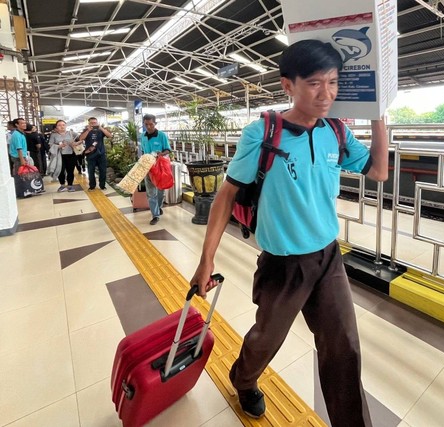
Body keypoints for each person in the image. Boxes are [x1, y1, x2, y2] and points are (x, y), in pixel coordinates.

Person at [190, 39, 388, 426]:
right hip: (283, 262)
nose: (326, 93)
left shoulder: (336, 131)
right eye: (314, 83)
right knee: (267, 340)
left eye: (332, 82)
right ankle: (243, 380)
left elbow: (378, 172)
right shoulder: (262, 133)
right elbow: (226, 196)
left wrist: (380, 116)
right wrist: (206, 259)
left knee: (344, 348)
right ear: (288, 85)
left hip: (329, 258)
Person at [140, 113, 171, 225]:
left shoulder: (162, 135)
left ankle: (159, 206)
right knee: (151, 192)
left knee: (160, 190)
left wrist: (161, 154)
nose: (148, 127)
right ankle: (155, 215)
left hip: (160, 168)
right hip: (148, 167)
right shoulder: (142, 136)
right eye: (146, 124)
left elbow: (168, 150)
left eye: (151, 124)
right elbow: (143, 150)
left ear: (155, 123)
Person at [78, 117, 112, 190]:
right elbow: (81, 138)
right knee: (91, 171)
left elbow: (109, 136)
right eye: (91, 123)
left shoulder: (101, 130)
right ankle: (92, 186)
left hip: (101, 153)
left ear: (97, 122)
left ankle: (102, 185)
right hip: (90, 154)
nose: (93, 124)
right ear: (89, 123)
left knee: (103, 170)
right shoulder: (86, 130)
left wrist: (101, 128)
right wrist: (88, 130)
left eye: (95, 122)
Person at [48, 120, 82, 192]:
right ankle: (62, 185)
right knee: (60, 170)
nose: (62, 126)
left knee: (70, 171)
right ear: (56, 127)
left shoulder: (71, 133)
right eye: (59, 125)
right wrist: (59, 146)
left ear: (66, 126)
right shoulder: (54, 135)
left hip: (71, 154)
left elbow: (81, 140)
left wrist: (76, 143)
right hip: (59, 155)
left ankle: (70, 185)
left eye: (63, 125)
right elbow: (50, 144)